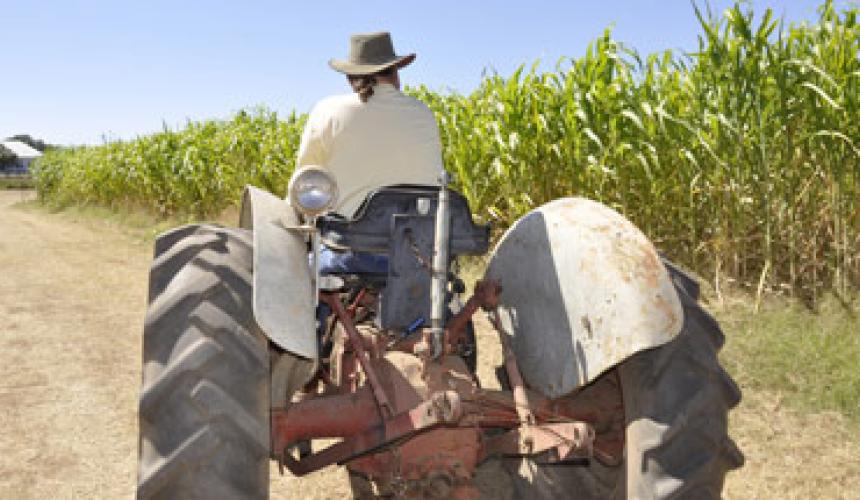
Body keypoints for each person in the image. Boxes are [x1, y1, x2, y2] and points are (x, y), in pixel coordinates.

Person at [294, 31, 444, 275]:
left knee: (297, 270)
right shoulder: (423, 113)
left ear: (351, 78)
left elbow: (303, 180)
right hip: (418, 257)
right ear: (395, 72)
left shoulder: (328, 111)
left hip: (349, 254)